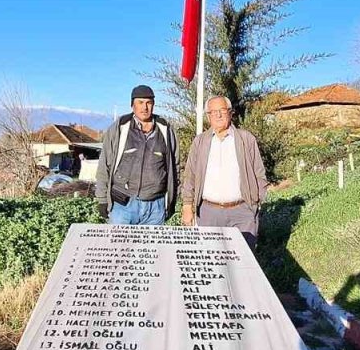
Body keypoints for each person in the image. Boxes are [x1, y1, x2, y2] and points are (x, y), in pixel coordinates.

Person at [180, 95, 268, 247]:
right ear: (208, 116)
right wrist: (187, 206)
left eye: (222, 110)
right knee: (212, 262)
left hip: (242, 212)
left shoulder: (246, 139)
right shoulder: (200, 142)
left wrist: (256, 204)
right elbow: (190, 176)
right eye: (213, 112)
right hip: (208, 213)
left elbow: (259, 173)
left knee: (244, 263)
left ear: (230, 112)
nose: (218, 115)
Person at [95, 85, 179, 225]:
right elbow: (104, 164)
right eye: (140, 102)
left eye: (149, 103)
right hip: (123, 205)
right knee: (119, 246)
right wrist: (102, 199)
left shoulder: (165, 130)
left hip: (155, 208)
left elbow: (175, 168)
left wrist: (171, 201)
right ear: (132, 105)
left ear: (153, 105)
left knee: (151, 247)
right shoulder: (120, 128)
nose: (145, 107)